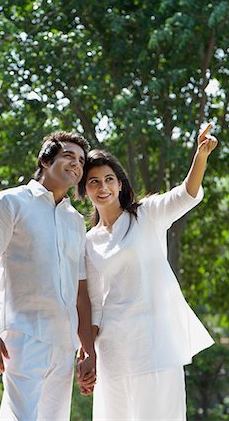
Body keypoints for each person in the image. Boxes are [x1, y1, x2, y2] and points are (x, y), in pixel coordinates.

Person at [78, 123, 218, 420]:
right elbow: (94, 304)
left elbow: (185, 195)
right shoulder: (88, 242)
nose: (103, 188)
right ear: (84, 190)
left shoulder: (146, 215)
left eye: (109, 180)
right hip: (113, 351)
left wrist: (200, 155)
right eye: (93, 182)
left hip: (155, 345)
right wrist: (88, 352)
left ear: (120, 184)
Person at [0, 131, 96, 421]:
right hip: (22, 336)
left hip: (64, 342)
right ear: (45, 159)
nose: (76, 164)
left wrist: (87, 349)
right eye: (68, 155)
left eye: (81, 160)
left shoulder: (75, 222)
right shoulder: (9, 203)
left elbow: (80, 292)